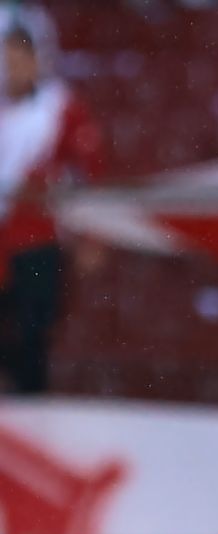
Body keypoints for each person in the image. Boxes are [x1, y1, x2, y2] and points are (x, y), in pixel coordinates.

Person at [0, 24, 103, 394]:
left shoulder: (59, 108)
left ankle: (31, 408)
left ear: (35, 61)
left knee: (33, 333)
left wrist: (91, 234)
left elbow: (87, 170)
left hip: (36, 237)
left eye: (17, 60)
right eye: (5, 60)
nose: (10, 69)